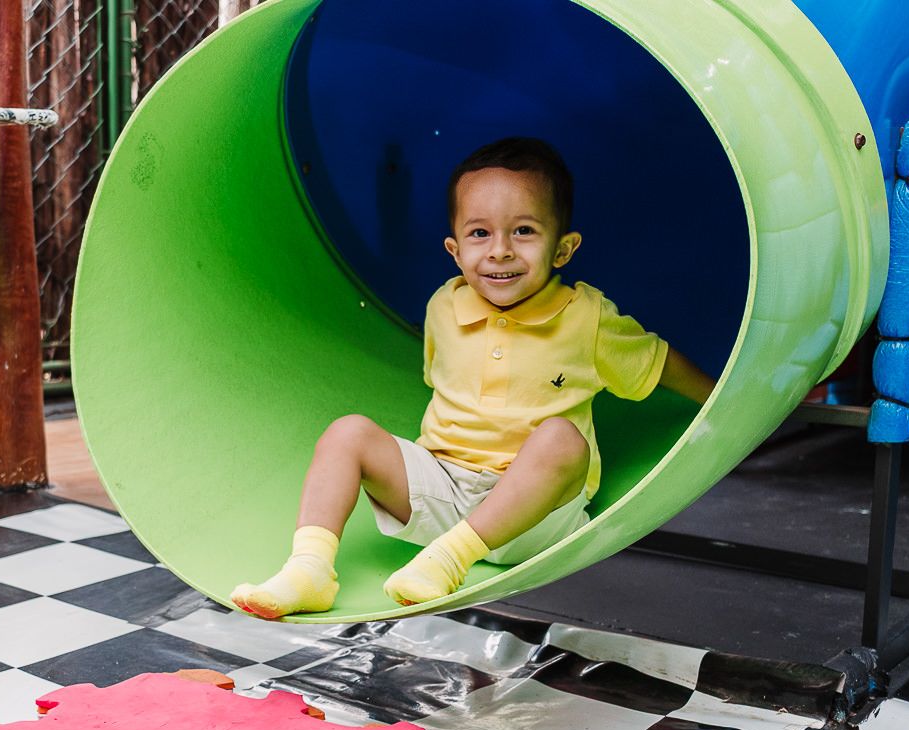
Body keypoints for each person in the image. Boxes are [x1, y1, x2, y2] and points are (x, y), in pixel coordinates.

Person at [231, 137, 715, 618]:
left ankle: (450, 559)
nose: (500, 251)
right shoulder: (444, 306)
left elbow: (658, 361)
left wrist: (720, 398)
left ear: (563, 249)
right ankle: (310, 568)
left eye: (523, 231)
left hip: (533, 514)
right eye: (479, 234)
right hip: (441, 488)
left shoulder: (586, 318)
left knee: (562, 439)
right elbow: (439, 380)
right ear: (455, 250)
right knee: (348, 432)